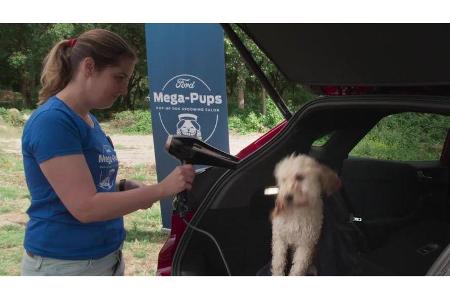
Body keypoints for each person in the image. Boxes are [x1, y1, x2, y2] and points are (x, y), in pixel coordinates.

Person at [20, 28, 195, 276]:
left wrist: (120, 187)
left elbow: (85, 188)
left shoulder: (88, 119)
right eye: (119, 77)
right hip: (64, 265)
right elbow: (85, 207)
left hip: (103, 258)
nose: (124, 89)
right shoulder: (53, 122)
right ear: (89, 67)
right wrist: (161, 190)